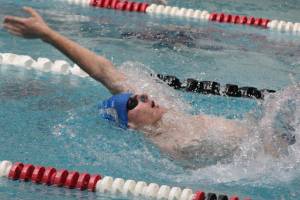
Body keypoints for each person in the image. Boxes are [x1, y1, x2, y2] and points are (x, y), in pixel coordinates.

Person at [3, 7, 294, 166]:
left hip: (277, 135)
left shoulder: (169, 111)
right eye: (132, 103)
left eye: (134, 96)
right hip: (278, 155)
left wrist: (47, 34)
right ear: (130, 125)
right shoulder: (170, 147)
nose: (141, 95)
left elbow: (103, 70)